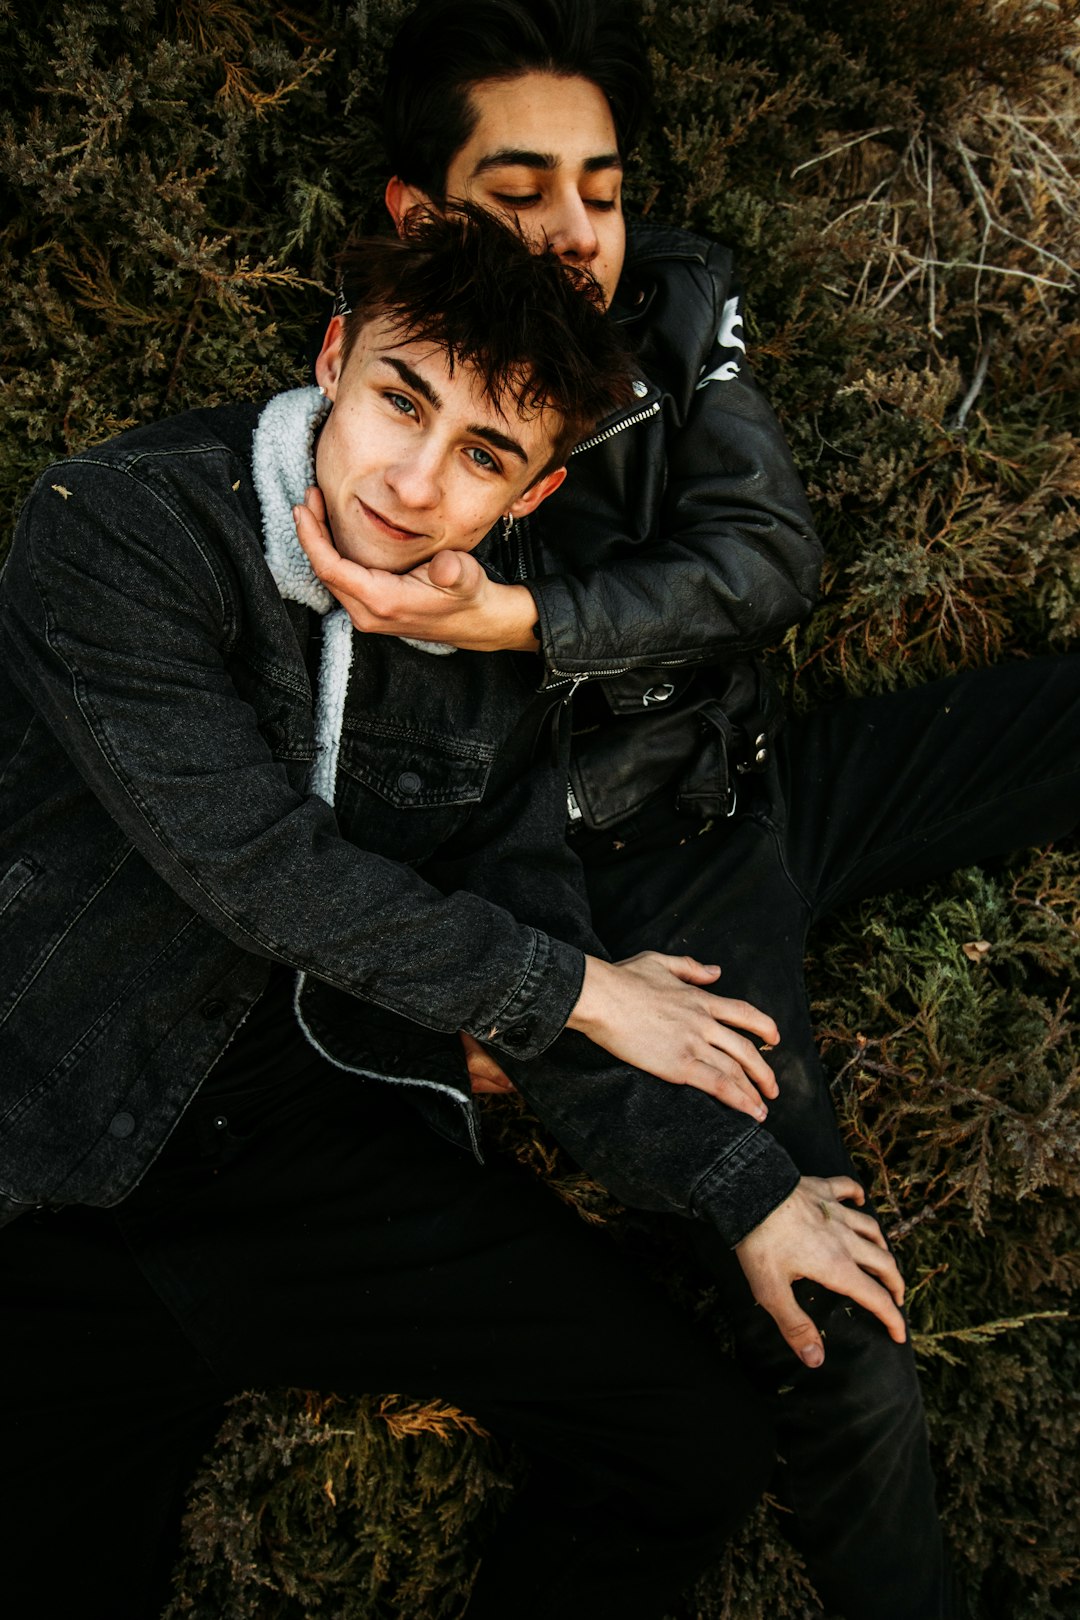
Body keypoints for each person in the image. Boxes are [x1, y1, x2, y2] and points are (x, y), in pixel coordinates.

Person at [0, 204, 910, 1620]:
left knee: (690, 1446)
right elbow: (254, 863)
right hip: (50, 1156)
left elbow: (527, 914)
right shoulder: (121, 524)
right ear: (334, 356)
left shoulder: (483, 649)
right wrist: (588, 991)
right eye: (400, 403)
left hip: (310, 1159)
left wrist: (744, 1191)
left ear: (530, 497)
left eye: (482, 455)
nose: (415, 482)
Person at [286, 5, 1080, 1618]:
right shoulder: (388, 426)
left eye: (603, 184)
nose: (576, 234)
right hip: (635, 894)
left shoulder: (672, 299)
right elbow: (460, 822)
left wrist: (526, 625)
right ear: (416, 215)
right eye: (520, 192)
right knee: (837, 1327)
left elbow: (768, 561)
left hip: (756, 776)